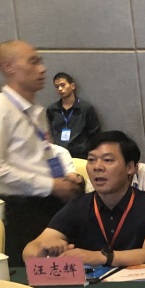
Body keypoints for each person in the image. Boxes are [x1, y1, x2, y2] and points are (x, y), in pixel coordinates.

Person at [22, 131, 145, 267]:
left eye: (108, 160)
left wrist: (99, 257)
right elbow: (29, 251)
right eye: (91, 160)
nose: (97, 167)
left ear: (130, 167)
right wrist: (44, 249)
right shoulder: (77, 206)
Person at [0, 40, 86, 265]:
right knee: (37, 278)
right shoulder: (3, 110)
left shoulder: (34, 110)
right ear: (9, 67)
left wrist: (63, 180)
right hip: (26, 212)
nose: (42, 69)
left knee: (70, 273)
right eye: (33, 62)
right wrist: (50, 185)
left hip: (53, 205)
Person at [46, 72, 101, 158]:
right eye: (57, 87)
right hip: (60, 156)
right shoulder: (52, 110)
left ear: (72, 86)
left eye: (63, 85)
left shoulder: (86, 108)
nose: (60, 89)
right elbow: (50, 133)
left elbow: (95, 135)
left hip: (81, 156)